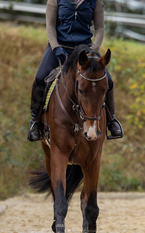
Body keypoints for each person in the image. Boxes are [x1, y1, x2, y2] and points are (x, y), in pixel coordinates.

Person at [27, 0, 123, 142]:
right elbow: (50, 25)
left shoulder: (96, 1)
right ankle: (35, 122)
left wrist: (94, 49)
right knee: (40, 77)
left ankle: (112, 120)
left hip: (85, 50)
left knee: (108, 80)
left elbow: (100, 28)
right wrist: (55, 47)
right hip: (59, 46)